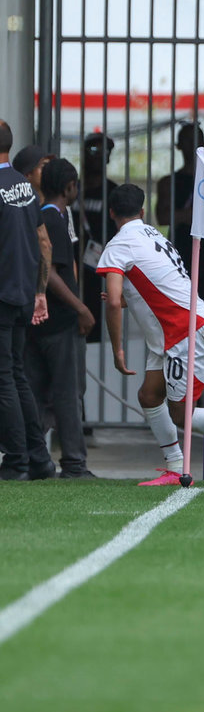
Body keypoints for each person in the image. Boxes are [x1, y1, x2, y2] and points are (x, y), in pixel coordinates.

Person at [97, 184, 204, 486]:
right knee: (150, 395)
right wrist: (132, 299)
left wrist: (118, 351)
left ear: (111, 212)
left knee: (182, 413)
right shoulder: (153, 236)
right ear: (142, 210)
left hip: (185, 330)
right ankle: (176, 466)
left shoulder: (118, 246)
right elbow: (155, 285)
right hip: (171, 330)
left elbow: (111, 300)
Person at [25, 159, 96, 478]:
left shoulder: (49, 216)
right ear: (70, 187)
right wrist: (80, 308)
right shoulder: (53, 219)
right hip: (60, 320)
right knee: (69, 393)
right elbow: (51, 271)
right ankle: (74, 463)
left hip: (40, 321)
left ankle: (30, 457)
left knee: (39, 392)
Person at [0, 119, 55, 482]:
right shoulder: (23, 186)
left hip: (2, 294)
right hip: (22, 293)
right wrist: (40, 292)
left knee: (4, 377)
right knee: (16, 375)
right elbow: (44, 242)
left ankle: (17, 461)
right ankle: (39, 460)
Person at [156, 122, 204, 303]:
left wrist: (184, 215)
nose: (192, 145)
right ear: (178, 145)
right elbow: (162, 218)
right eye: (187, 140)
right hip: (180, 257)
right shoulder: (168, 182)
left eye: (195, 140)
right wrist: (194, 214)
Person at [73, 131, 117, 344]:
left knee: (95, 327)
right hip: (68, 268)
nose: (98, 155)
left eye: (104, 151)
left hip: (98, 271)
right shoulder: (71, 188)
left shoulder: (113, 192)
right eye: (93, 150)